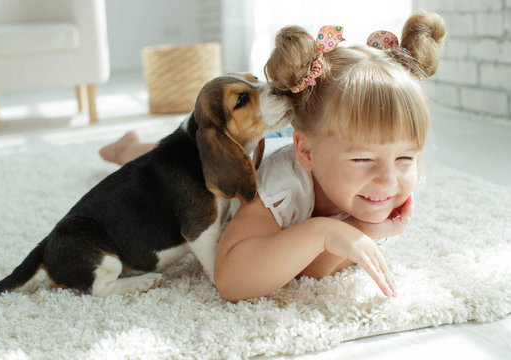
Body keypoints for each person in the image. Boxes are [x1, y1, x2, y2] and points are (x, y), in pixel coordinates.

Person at [100, 11, 445, 303]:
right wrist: (324, 231)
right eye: (363, 160)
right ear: (307, 153)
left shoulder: (384, 186)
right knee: (169, 158)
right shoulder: (283, 184)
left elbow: (308, 266)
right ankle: (125, 147)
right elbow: (231, 279)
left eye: (406, 158)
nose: (388, 179)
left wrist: (356, 229)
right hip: (252, 153)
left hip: (298, 135)